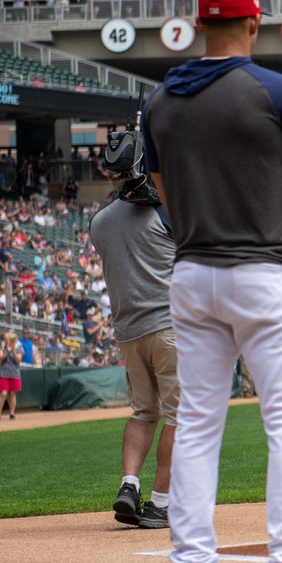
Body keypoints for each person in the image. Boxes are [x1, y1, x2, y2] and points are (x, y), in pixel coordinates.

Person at [142, 0, 282, 563]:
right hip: (263, 275)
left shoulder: (159, 103)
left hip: (191, 274)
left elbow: (170, 202)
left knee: (198, 425)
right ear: (254, 23)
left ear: (198, 23)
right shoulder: (280, 91)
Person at [90, 190, 178, 530]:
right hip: (171, 326)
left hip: (128, 332)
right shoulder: (167, 211)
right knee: (180, 416)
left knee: (143, 412)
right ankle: (160, 504)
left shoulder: (99, 221)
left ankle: (130, 483)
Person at [0, 330, 24, 421]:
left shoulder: (19, 348)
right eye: (6, 339)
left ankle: (12, 414)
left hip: (14, 374)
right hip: (4, 373)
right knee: (3, 394)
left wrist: (13, 351)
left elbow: (18, 360)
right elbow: (0, 358)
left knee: (12, 393)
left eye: (8, 339)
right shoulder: (2, 348)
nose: (6, 341)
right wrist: (7, 352)